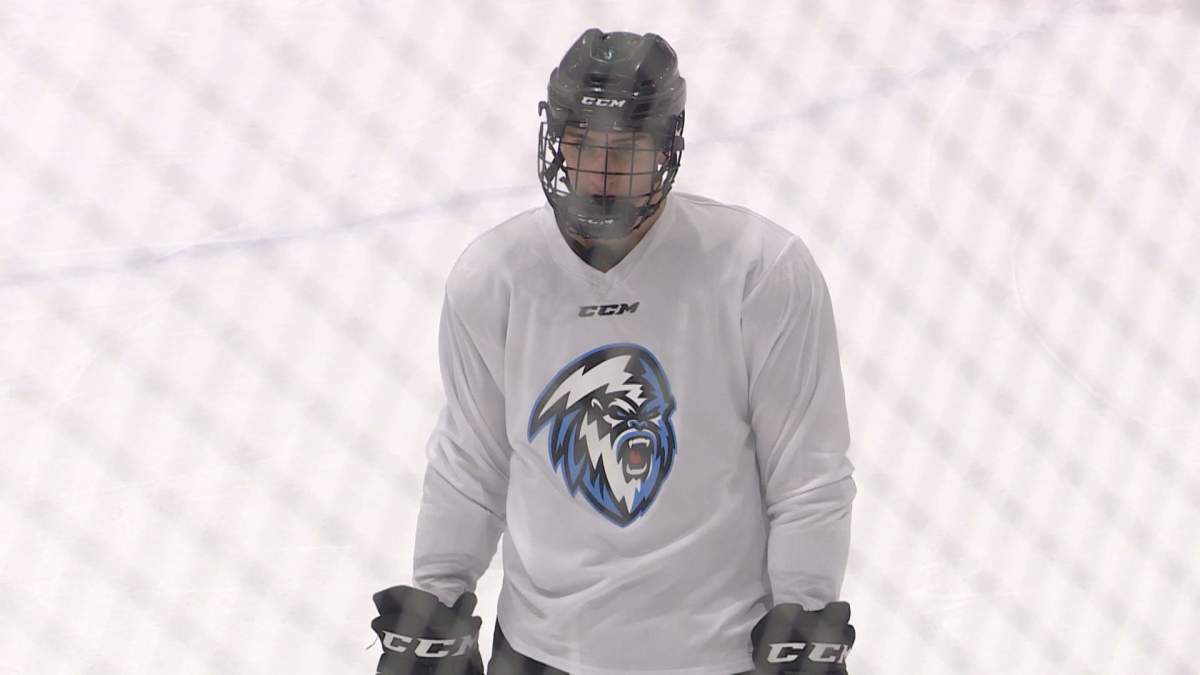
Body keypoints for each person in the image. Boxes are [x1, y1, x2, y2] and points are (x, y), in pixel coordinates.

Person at [369, 28, 857, 675]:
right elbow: (471, 461)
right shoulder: (496, 276)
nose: (599, 175)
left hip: (717, 657)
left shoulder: (760, 271)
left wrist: (804, 614)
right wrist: (437, 598)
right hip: (541, 654)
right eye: (582, 144)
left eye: (624, 150)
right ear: (555, 141)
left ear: (666, 149)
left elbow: (806, 471)